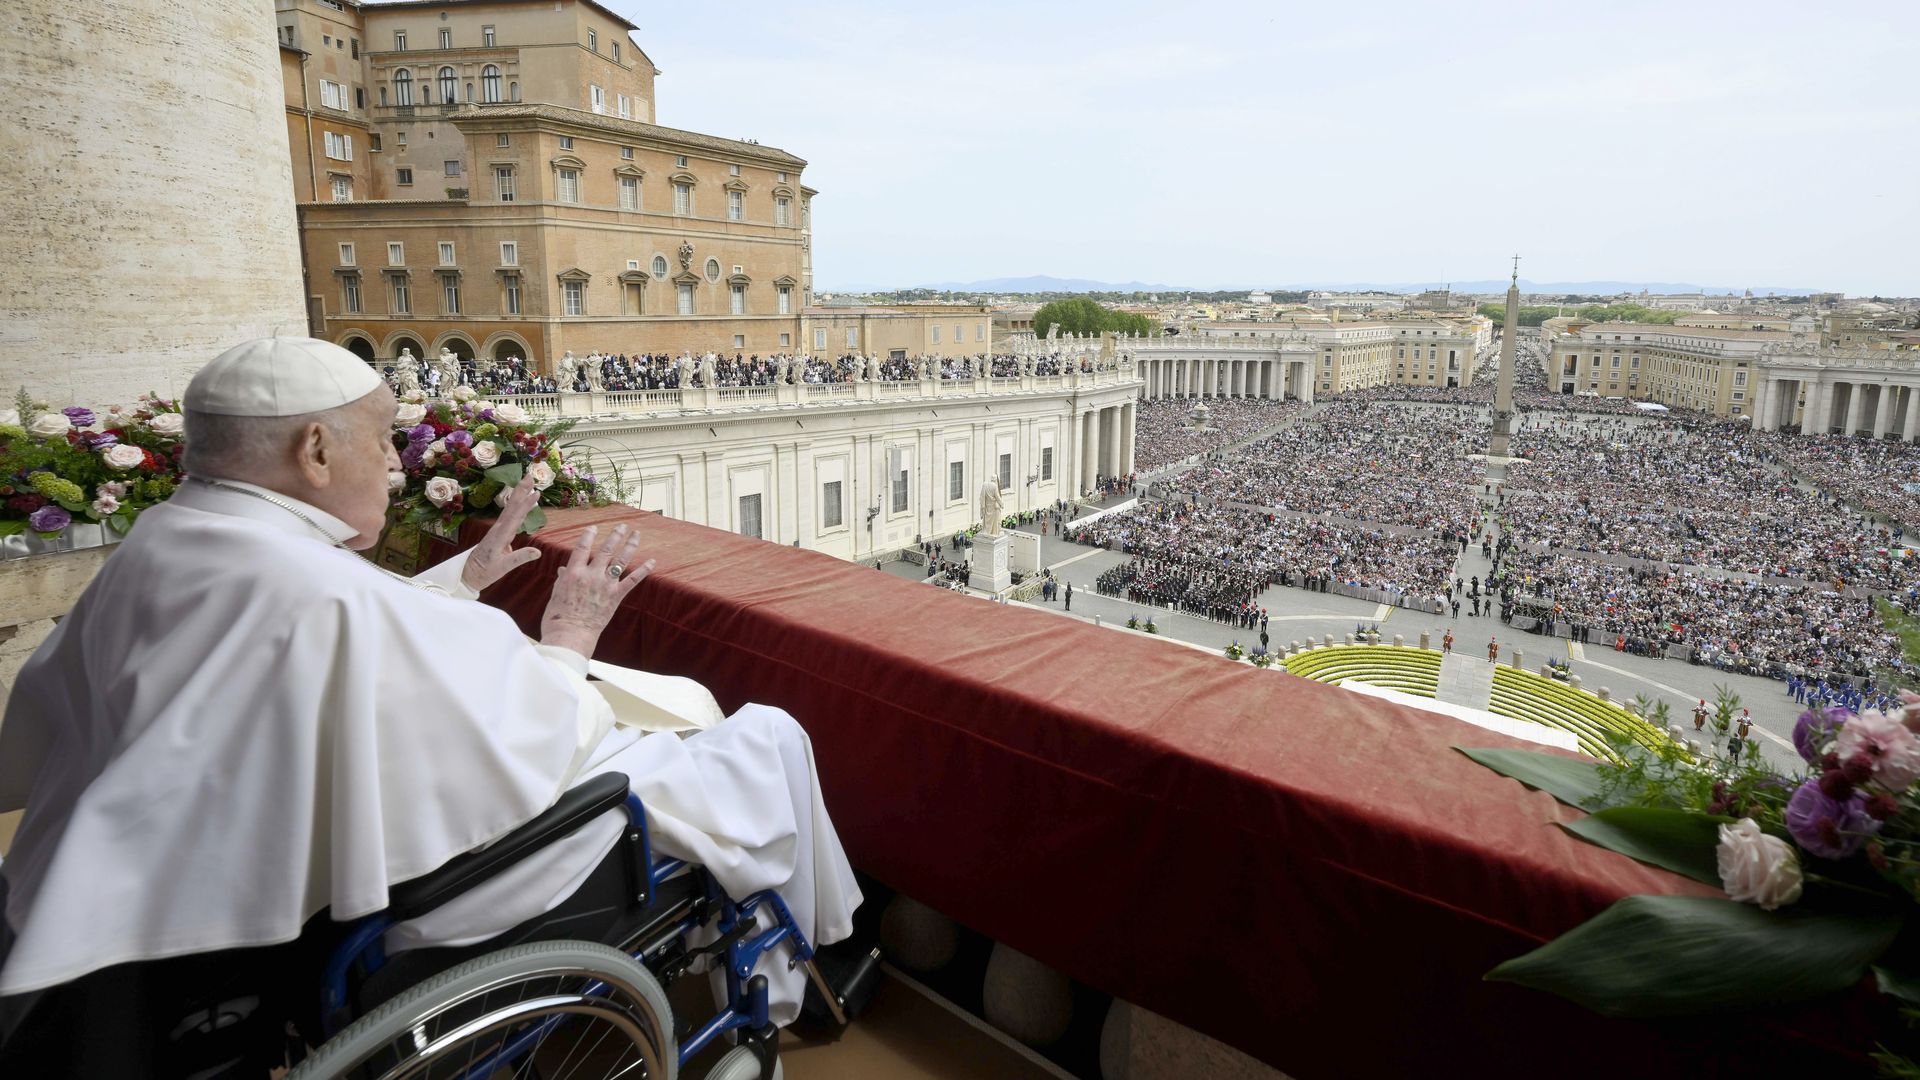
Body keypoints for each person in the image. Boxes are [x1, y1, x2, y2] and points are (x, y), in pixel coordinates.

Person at [0, 338, 859, 1040]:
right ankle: (813, 958)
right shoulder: (319, 588)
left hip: (219, 875)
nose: (394, 464)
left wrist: (466, 578)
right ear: (314, 449)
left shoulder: (176, 534)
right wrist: (569, 637)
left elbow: (341, 650)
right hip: (459, 876)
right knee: (767, 735)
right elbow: (527, 733)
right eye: (380, 441)